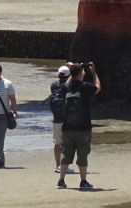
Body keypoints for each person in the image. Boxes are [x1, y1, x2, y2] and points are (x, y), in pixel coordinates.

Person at [57, 62, 100, 190]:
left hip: (67, 126)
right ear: (82, 73)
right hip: (83, 127)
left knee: (66, 153)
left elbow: (66, 84)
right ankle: (83, 181)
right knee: (82, 154)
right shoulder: (86, 87)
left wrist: (73, 70)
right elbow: (98, 87)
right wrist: (93, 72)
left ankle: (61, 180)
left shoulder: (66, 88)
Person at [48, 65, 72, 174]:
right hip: (67, 118)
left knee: (57, 143)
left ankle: (57, 165)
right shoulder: (70, 86)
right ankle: (64, 166)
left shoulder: (53, 86)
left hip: (56, 118)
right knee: (67, 143)